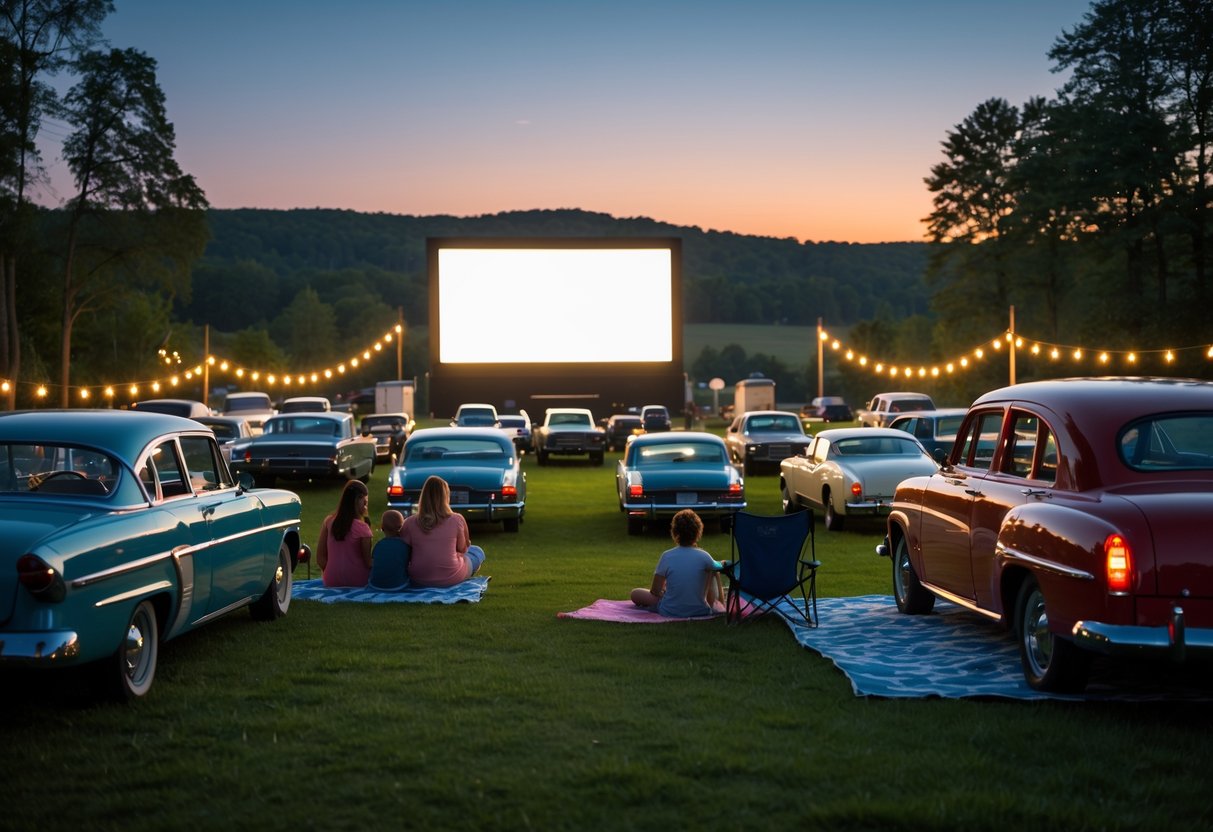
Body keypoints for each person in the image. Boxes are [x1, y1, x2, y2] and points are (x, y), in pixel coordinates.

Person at [631, 509, 725, 617]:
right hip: (700, 610)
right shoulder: (705, 556)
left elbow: (655, 590)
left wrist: (664, 593)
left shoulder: (667, 556)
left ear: (674, 532)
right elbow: (719, 567)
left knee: (635, 593)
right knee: (713, 570)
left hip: (670, 611)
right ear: (698, 532)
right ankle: (719, 605)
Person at [401, 475, 485, 587]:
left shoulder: (409, 522)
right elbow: (463, 549)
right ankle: (465, 576)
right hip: (451, 577)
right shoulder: (456, 519)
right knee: (477, 552)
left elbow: (405, 551)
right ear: (445, 497)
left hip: (418, 578)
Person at [316, 479, 373, 587]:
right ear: (359, 500)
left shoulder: (328, 521)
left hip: (330, 580)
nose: (366, 506)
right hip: (358, 580)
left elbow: (320, 558)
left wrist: (331, 571)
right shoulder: (363, 528)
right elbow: (368, 562)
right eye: (365, 502)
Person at [367, 509, 410, 591]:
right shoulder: (405, 546)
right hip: (398, 586)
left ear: (382, 528)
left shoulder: (378, 545)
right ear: (402, 527)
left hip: (375, 585)